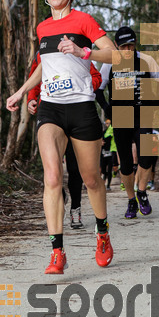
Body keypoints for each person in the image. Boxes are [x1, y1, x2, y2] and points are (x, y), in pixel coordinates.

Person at [6, 0, 116, 274]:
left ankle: (102, 233)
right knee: (52, 177)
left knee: (92, 178)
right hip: (51, 108)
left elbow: (116, 55)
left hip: (82, 107)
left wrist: (85, 51)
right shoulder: (42, 28)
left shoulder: (83, 21)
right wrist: (21, 92)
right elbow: (43, 65)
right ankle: (57, 252)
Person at [27, 53, 103, 229]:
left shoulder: (75, 50)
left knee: (76, 170)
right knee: (53, 172)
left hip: (77, 117)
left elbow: (96, 77)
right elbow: (35, 76)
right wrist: (31, 97)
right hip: (52, 116)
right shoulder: (42, 53)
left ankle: (75, 208)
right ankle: (59, 197)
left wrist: (81, 88)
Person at [96, 26, 159, 219]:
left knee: (147, 156)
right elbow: (98, 89)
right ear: (117, 46)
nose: (127, 50)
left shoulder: (146, 60)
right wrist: (108, 110)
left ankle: (141, 191)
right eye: (124, 46)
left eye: (131, 46)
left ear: (136, 44)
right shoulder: (110, 63)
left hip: (143, 113)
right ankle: (131, 200)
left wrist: (156, 103)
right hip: (121, 116)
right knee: (125, 164)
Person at [101, 118, 117, 190]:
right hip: (103, 153)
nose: (107, 124)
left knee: (110, 169)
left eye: (109, 123)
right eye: (106, 123)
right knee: (103, 170)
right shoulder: (103, 133)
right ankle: (105, 175)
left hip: (111, 152)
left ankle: (108, 185)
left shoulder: (113, 131)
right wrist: (100, 143)